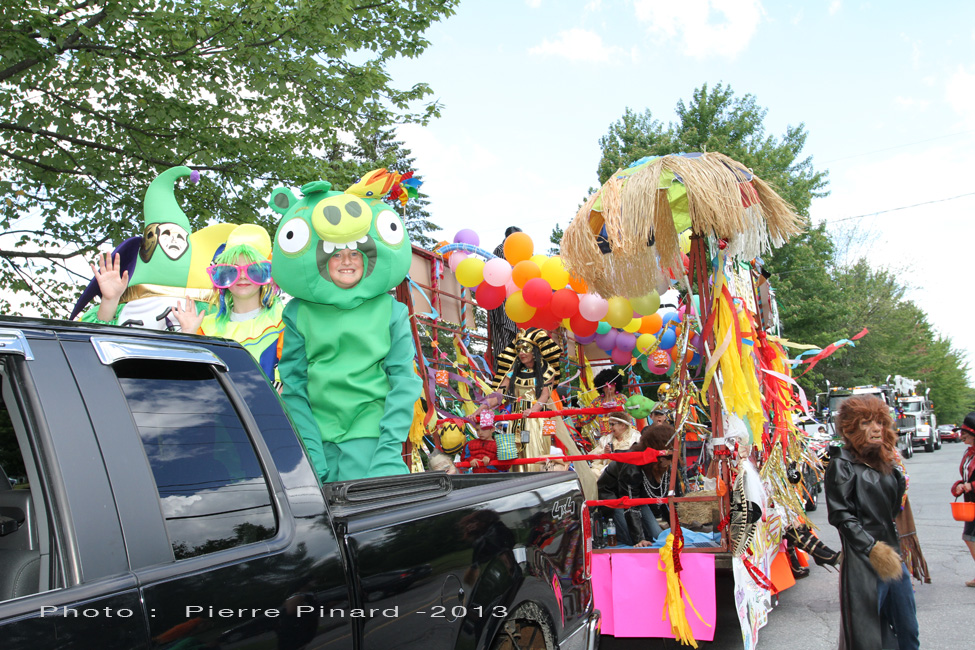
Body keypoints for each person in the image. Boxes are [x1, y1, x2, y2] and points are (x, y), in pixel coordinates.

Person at [271, 174, 422, 483]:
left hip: (371, 440)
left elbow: (404, 383)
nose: (346, 261)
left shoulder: (391, 312)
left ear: (367, 256)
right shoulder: (298, 313)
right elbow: (294, 385)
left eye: (354, 252)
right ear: (321, 258)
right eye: (335, 253)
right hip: (316, 440)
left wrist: (387, 452)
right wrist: (311, 452)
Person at [825, 395, 919, 650]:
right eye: (866, 423)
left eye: (879, 422)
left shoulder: (886, 462)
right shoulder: (841, 464)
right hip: (864, 561)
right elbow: (841, 515)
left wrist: (895, 469)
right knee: (866, 638)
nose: (876, 429)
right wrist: (873, 549)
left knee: (908, 630)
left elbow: (892, 509)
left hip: (894, 558)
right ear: (849, 428)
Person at [173, 225, 284, 381]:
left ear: (266, 274)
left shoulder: (282, 322)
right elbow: (190, 378)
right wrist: (189, 335)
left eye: (253, 269)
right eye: (233, 270)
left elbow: (293, 377)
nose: (242, 276)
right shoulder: (205, 328)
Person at [596, 424, 676, 547]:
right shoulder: (632, 463)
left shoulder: (662, 463)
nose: (669, 463)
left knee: (657, 535)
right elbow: (630, 502)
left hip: (639, 498)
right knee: (632, 539)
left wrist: (675, 527)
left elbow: (664, 497)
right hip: (614, 498)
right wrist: (639, 539)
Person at [950, 412, 975, 587]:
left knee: (969, 536)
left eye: (964, 433)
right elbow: (967, 476)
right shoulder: (969, 453)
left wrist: (971, 486)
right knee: (969, 537)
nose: (961, 436)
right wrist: (960, 485)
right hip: (970, 503)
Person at [591, 411, 641, 477]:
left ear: (623, 425)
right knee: (593, 472)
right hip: (608, 469)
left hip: (628, 470)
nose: (610, 427)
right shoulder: (606, 439)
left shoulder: (636, 438)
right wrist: (605, 452)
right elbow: (593, 456)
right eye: (610, 424)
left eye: (612, 424)